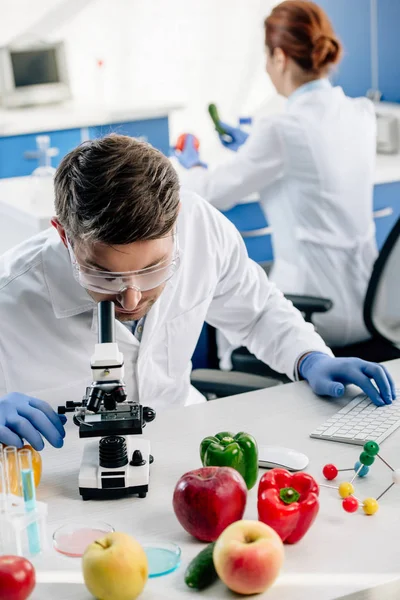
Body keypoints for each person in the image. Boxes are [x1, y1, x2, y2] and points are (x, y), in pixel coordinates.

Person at [0, 135, 394, 451]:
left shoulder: (201, 226)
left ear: (176, 226)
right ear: (64, 235)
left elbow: (257, 312)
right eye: (104, 276)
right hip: (65, 477)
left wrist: (308, 357)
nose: (132, 300)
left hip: (186, 445)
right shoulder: (10, 296)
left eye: (153, 270)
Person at [175, 0, 378, 350]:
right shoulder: (361, 112)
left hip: (314, 315)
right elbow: (315, 163)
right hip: (372, 307)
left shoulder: (282, 128)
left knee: (231, 320)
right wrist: (252, 148)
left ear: (280, 57)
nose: (267, 69)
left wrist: (190, 162)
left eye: (267, 59)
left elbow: (209, 192)